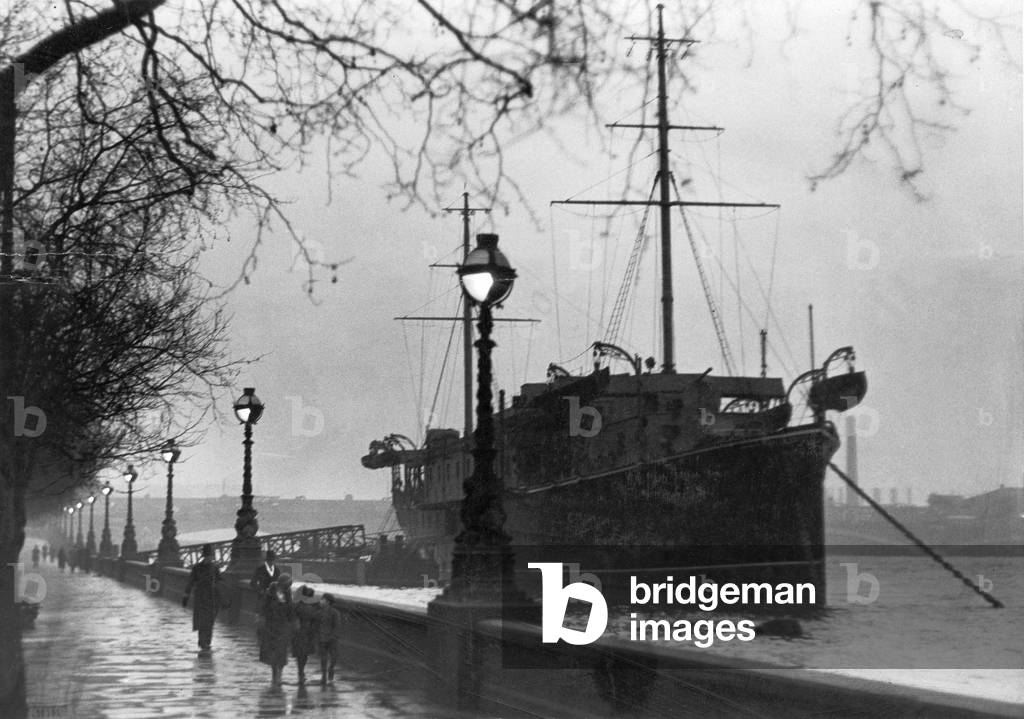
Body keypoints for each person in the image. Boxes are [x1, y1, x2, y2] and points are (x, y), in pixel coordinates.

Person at [182, 544, 223, 652]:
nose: (210, 558)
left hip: (212, 597)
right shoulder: (197, 568)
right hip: (200, 597)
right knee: (202, 621)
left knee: (210, 621)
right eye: (209, 556)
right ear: (204, 556)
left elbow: (220, 582)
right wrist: (186, 596)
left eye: (211, 556)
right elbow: (190, 582)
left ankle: (206, 642)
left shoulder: (215, 568)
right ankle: (203, 642)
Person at [258, 574, 294, 685]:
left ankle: (279, 675)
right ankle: (275, 674)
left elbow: (290, 610)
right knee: (273, 652)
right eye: (286, 585)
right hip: (271, 627)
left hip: (283, 627)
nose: (287, 587)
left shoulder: (287, 594)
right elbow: (263, 608)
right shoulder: (270, 593)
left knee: (282, 652)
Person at [292, 585, 319, 685]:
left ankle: (301, 672)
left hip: (304, 632)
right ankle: (301, 672)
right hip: (305, 632)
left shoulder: (299, 605)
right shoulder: (303, 606)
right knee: (303, 654)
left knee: (302, 654)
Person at [316, 593, 341, 684]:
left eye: (322, 599)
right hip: (322, 639)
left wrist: (333, 636)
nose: (320, 601)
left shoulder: (335, 613)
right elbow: (316, 626)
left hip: (332, 639)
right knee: (323, 658)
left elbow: (337, 626)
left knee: (334, 657)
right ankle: (324, 675)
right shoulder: (319, 613)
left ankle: (331, 668)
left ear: (327, 602)